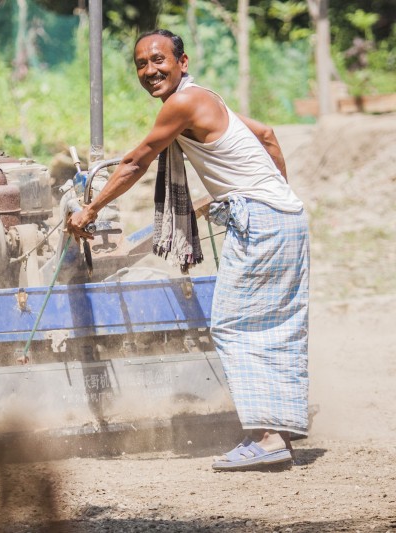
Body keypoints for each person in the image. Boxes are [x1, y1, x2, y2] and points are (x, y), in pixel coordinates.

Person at [66, 29, 310, 471]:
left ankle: (268, 438)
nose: (149, 71)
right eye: (140, 64)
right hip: (286, 217)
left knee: (234, 324)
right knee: (273, 325)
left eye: (158, 60)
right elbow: (267, 135)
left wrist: (90, 209)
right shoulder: (206, 97)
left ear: (182, 60)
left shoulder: (181, 104)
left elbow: (137, 160)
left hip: (261, 219)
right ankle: (279, 428)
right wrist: (269, 194)